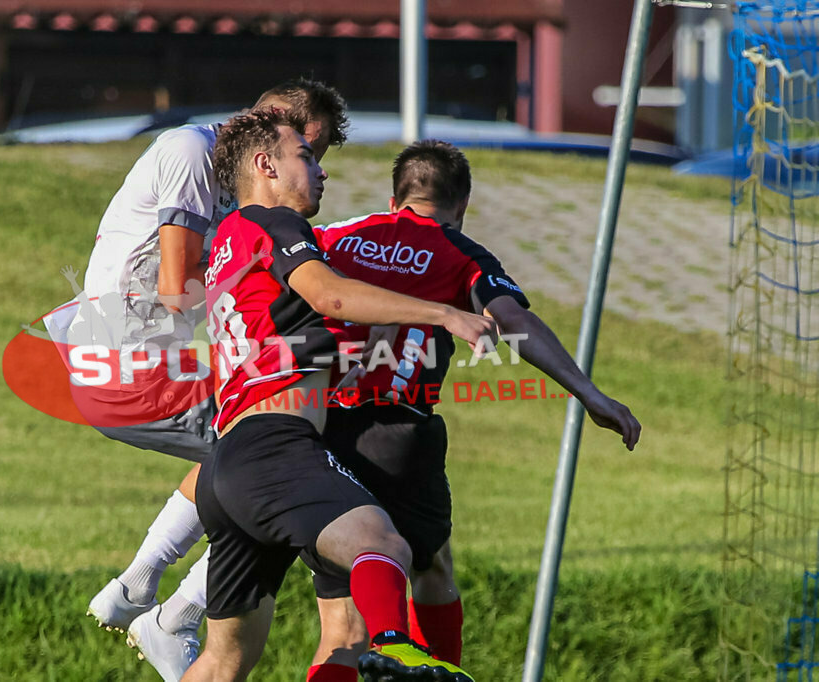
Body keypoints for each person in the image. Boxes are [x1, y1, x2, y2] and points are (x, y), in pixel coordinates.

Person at [301, 140, 641, 679]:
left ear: (396, 198)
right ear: (461, 206)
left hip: (316, 428)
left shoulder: (336, 235)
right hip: (398, 434)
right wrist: (588, 392)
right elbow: (512, 322)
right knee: (433, 569)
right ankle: (437, 672)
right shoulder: (460, 253)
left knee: (342, 628)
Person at [185, 111, 493, 681]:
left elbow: (294, 321)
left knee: (225, 659)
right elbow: (330, 297)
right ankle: (398, 649)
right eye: (305, 155)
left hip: (228, 461)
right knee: (386, 545)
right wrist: (444, 313)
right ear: (265, 164)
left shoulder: (227, 238)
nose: (320, 170)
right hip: (277, 447)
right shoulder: (275, 224)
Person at [74, 79, 349, 680]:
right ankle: (170, 613)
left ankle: (138, 587)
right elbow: (177, 289)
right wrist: (283, 271)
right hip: (124, 359)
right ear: (269, 135)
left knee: (263, 453)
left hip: (138, 357)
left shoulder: (234, 188)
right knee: (282, 459)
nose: (313, 171)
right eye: (307, 151)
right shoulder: (194, 153)